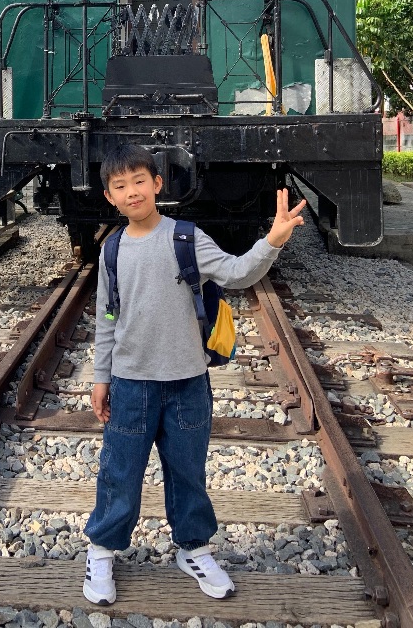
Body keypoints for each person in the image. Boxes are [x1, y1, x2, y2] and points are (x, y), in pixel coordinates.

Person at [83, 142, 306, 605]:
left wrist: (273, 240)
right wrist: (101, 376)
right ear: (109, 196)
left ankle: (194, 549)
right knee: (119, 472)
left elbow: (237, 272)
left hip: (187, 382)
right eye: (120, 186)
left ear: (158, 184)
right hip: (131, 383)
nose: (132, 192)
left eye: (139, 181)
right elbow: (107, 317)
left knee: (188, 471)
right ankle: (102, 550)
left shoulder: (185, 238)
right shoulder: (112, 251)